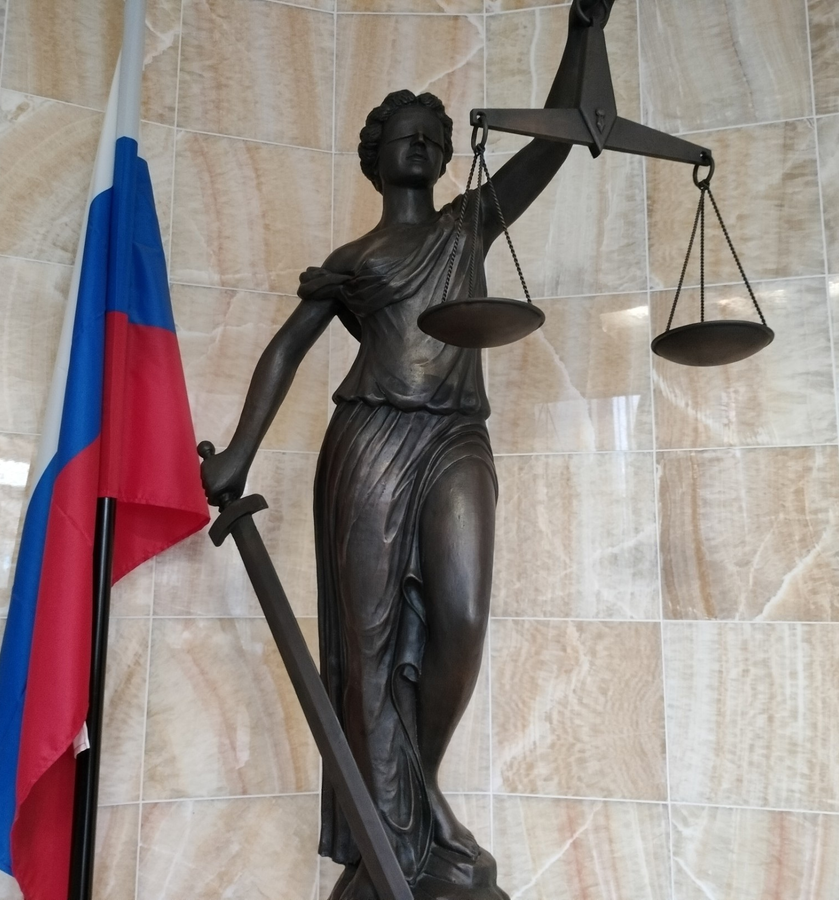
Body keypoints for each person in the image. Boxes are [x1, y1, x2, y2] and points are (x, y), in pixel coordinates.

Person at [199, 3, 613, 896]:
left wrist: (585, 35)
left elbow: (553, 144)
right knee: (372, 643)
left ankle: (414, 810)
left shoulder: (469, 226)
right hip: (371, 440)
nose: (421, 144)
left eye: (433, 135)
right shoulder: (353, 257)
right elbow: (286, 349)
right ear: (376, 155)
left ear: (448, 155)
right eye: (405, 135)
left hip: (457, 437)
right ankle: (401, 840)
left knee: (461, 619)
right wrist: (238, 451)